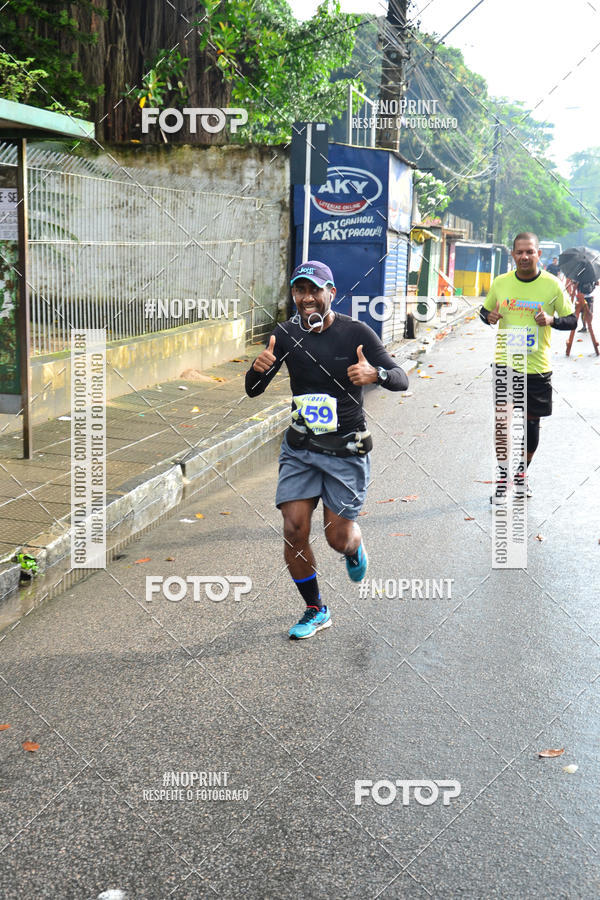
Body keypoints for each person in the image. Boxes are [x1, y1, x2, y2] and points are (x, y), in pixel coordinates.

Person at [245, 260, 409, 639]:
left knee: (336, 537)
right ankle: (316, 608)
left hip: (346, 450)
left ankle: (354, 548)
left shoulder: (358, 333)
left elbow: (401, 378)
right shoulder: (284, 335)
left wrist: (376, 374)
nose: (307, 299)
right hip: (301, 447)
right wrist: (257, 370)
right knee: (294, 529)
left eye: (315, 290)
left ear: (330, 293)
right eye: (300, 291)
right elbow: (253, 389)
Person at [480, 232, 576, 501]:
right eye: (520, 252)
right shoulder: (500, 283)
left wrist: (551, 320)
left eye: (529, 252)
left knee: (531, 425)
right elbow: (483, 312)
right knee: (503, 422)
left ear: (538, 255)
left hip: (537, 366)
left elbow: (571, 322)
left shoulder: (552, 285)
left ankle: (521, 476)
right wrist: (489, 316)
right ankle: (502, 480)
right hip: (505, 363)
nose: (524, 256)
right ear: (513, 254)